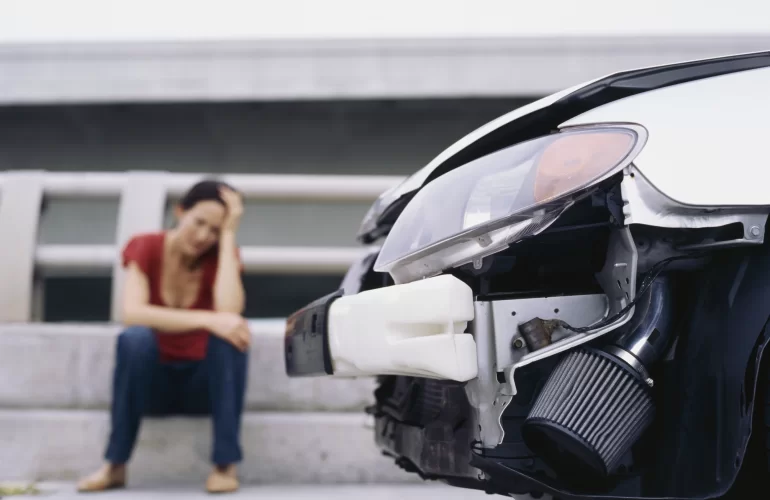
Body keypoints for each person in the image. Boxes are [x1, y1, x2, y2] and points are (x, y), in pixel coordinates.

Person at [77, 180, 250, 494]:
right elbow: (133, 313)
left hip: (204, 387)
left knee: (231, 337)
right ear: (180, 211)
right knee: (135, 338)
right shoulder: (146, 246)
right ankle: (115, 465)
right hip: (151, 384)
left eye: (215, 230)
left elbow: (230, 313)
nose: (204, 236)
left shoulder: (222, 256)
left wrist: (228, 236)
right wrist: (208, 319)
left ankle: (225, 465)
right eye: (199, 223)